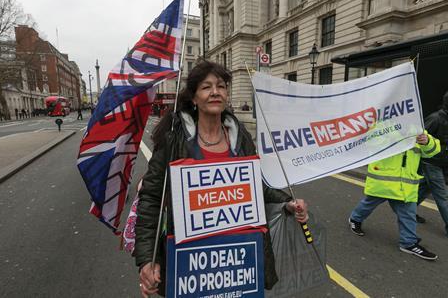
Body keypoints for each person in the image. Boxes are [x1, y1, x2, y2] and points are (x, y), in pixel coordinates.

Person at [134, 61, 308, 297]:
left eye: (221, 86)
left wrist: (287, 202)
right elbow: (152, 198)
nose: (215, 92)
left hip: (239, 256)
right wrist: (147, 258)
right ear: (194, 98)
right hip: (191, 259)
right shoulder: (173, 138)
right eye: (206, 87)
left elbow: (256, 184)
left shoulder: (240, 136)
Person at [349, 132, 440, 260]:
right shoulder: (382, 124)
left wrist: (427, 142)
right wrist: (392, 135)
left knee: (408, 214)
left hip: (405, 184)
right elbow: (370, 143)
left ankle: (408, 243)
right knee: (368, 204)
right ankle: (355, 219)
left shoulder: (417, 127)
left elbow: (433, 151)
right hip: (384, 181)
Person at [416, 92, 448, 236]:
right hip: (432, 162)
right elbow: (421, 137)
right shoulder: (436, 118)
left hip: (442, 162)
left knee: (424, 188)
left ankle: (407, 211)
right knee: (442, 196)